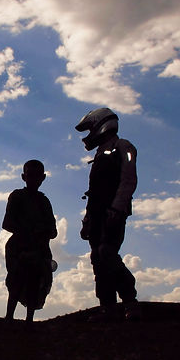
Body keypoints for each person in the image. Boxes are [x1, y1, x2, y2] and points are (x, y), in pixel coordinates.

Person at [75, 107, 139, 321]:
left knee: (107, 253)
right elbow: (94, 193)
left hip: (113, 213)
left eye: (91, 128)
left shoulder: (123, 147)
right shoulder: (100, 154)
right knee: (97, 258)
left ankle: (130, 301)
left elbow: (129, 179)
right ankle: (107, 307)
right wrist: (87, 220)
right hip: (98, 214)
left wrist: (117, 208)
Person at [2, 159, 57, 322]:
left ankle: (29, 319)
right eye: (30, 176)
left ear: (43, 178)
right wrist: (27, 233)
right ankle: (9, 317)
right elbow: (7, 223)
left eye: (37, 176)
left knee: (35, 281)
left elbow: (53, 230)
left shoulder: (44, 201)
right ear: (23, 177)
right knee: (16, 280)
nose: (34, 180)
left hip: (39, 249)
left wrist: (41, 234)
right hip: (19, 248)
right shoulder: (17, 196)